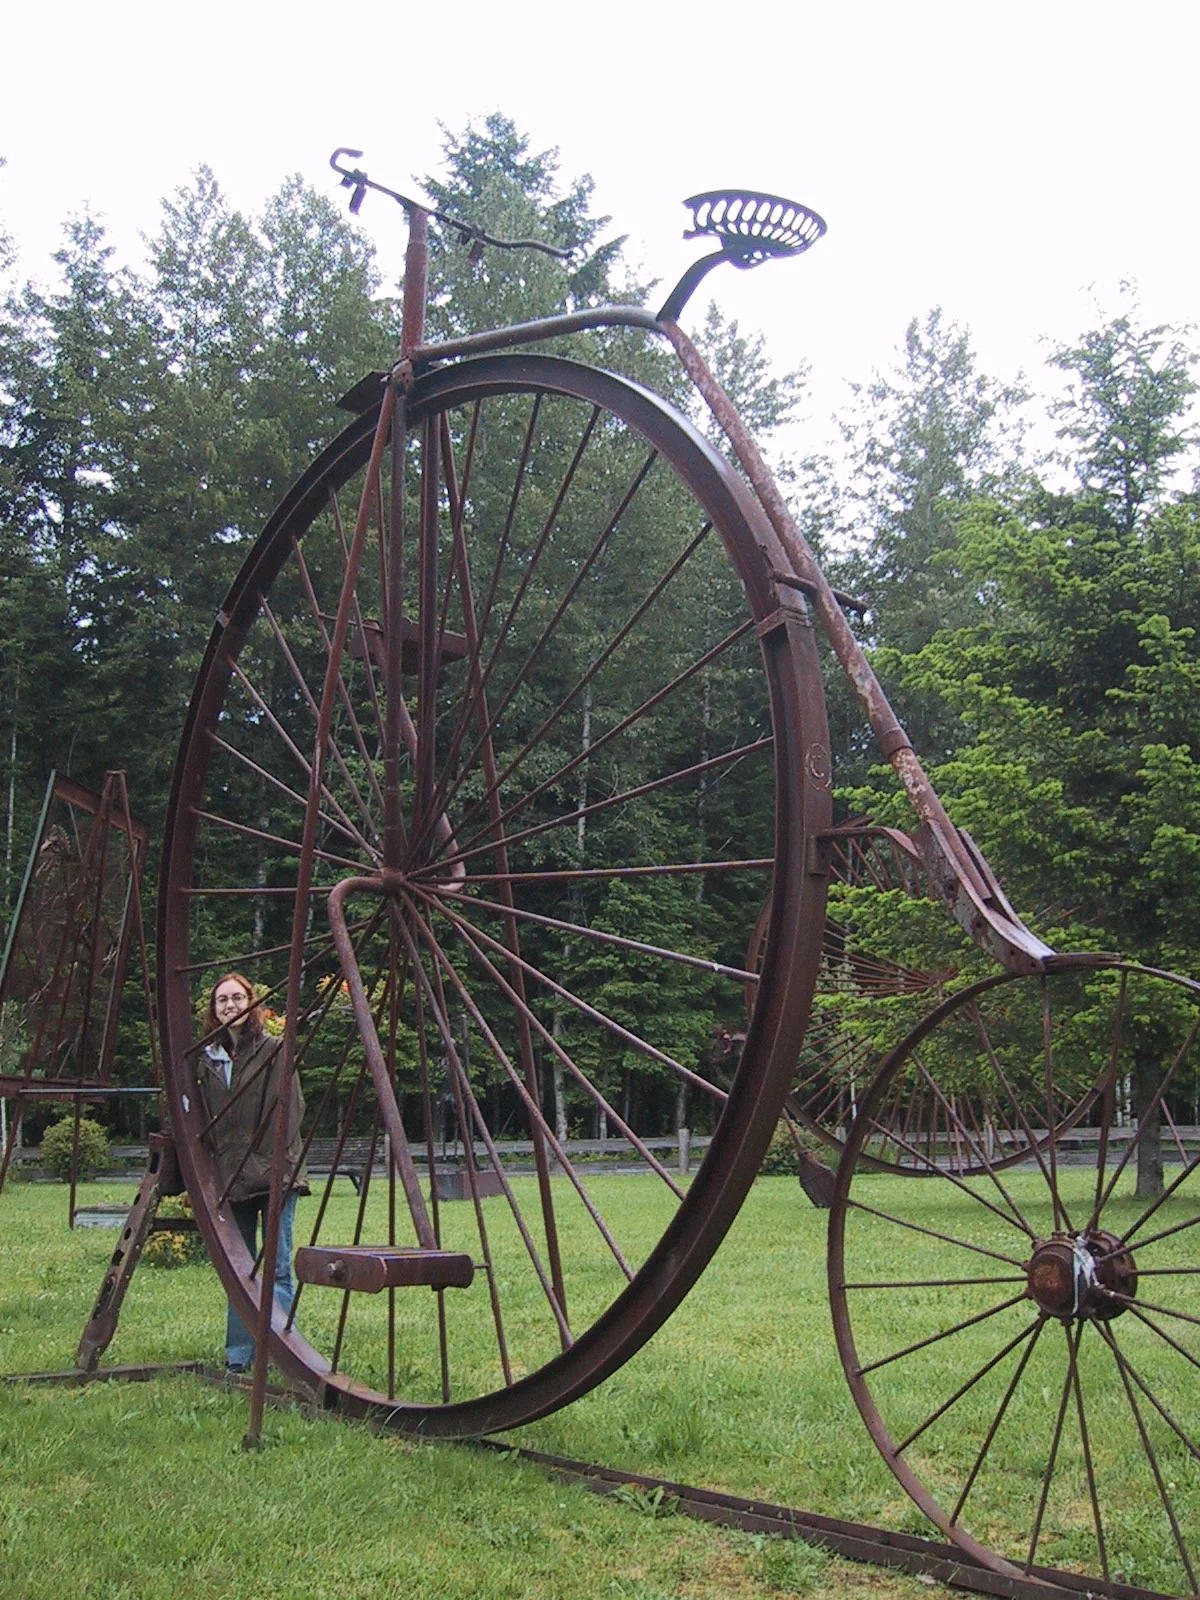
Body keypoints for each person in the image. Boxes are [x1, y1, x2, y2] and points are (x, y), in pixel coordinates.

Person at [197, 973, 308, 1373]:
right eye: (222, 1000)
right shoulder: (206, 1061)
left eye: (237, 997)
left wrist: (266, 1162)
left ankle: (279, 1353)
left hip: (273, 1173)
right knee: (239, 1268)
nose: (230, 1005)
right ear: (213, 1009)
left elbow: (291, 1111)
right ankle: (240, 1356)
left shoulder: (274, 1050)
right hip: (231, 1178)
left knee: (276, 1265)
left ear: (252, 1003)